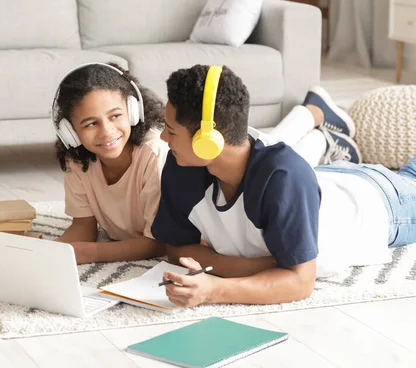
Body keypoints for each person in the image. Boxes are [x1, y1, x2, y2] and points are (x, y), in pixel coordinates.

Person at [150, 64, 416, 307]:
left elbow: (300, 283)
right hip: (326, 179)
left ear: (208, 142)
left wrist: (214, 290)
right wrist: (258, 267)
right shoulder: (183, 164)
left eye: (171, 131)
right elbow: (176, 248)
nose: (163, 137)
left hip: (383, 204)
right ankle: (329, 138)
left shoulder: (283, 176)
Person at [52, 62, 168, 264]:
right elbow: (84, 228)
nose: (106, 131)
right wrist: (50, 250)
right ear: (70, 132)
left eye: (115, 116)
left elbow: (160, 242)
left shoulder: (154, 154)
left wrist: (91, 253)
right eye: (90, 124)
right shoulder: (79, 161)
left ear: (133, 111)